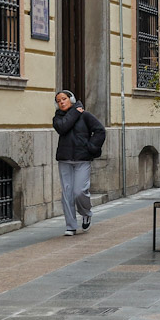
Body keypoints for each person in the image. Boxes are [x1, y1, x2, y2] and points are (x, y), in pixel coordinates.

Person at [52, 91, 106, 236]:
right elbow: (63, 127)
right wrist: (75, 111)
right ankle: (70, 226)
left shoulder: (86, 115)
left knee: (79, 191)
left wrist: (91, 147)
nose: (61, 102)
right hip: (64, 159)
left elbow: (100, 130)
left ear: (71, 99)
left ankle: (86, 213)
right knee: (67, 194)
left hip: (82, 159)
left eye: (64, 99)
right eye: (58, 101)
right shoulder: (58, 118)